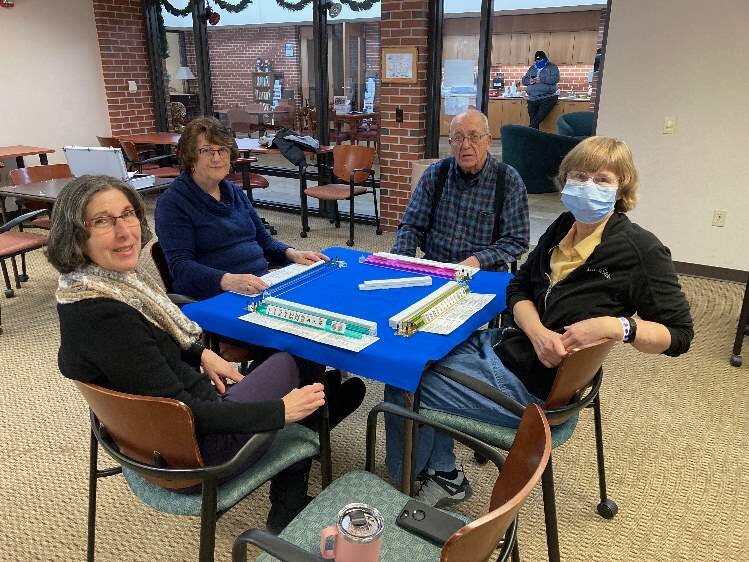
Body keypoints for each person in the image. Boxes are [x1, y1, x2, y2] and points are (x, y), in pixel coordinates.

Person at [385, 136, 694, 508]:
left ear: (622, 188)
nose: (588, 187)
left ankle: (404, 486)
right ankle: (442, 470)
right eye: (580, 176)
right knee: (420, 348)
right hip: (514, 346)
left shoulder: (640, 250)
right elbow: (518, 288)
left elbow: (679, 335)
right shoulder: (565, 225)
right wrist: (537, 331)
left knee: (405, 380)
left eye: (602, 179)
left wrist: (618, 326)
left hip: (531, 384)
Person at [48, 175, 330, 533]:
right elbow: (190, 414)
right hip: (197, 456)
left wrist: (199, 354)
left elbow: (143, 354)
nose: (124, 232)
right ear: (74, 233)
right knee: (299, 354)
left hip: (165, 436)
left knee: (279, 368)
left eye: (128, 214)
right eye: (102, 221)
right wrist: (281, 411)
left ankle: (317, 406)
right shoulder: (107, 315)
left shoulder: (86, 289)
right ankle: (289, 498)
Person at [154, 116, 366, 414]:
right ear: (190, 157)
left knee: (322, 305)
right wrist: (228, 280)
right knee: (299, 334)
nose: (217, 157)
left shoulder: (234, 194)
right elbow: (181, 268)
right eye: (207, 151)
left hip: (260, 287)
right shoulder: (173, 203)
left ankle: (303, 399)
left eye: (222, 150)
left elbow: (265, 244)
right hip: (217, 300)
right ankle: (297, 409)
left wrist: (292, 253)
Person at [391, 109, 529, 271]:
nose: (465, 145)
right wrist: (401, 261)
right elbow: (411, 225)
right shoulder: (436, 173)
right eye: (458, 138)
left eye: (474, 137)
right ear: (450, 143)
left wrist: (477, 260)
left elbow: (517, 239)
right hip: (437, 267)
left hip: (483, 271)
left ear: (488, 141)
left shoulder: (508, 180)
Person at [522, 50, 560, 129]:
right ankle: (533, 138)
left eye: (540, 60)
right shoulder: (532, 68)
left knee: (537, 119)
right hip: (532, 98)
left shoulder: (552, 67)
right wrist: (529, 81)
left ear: (545, 59)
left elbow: (555, 79)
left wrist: (542, 79)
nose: (538, 62)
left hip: (547, 98)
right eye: (537, 60)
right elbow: (524, 80)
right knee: (533, 120)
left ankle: (527, 131)